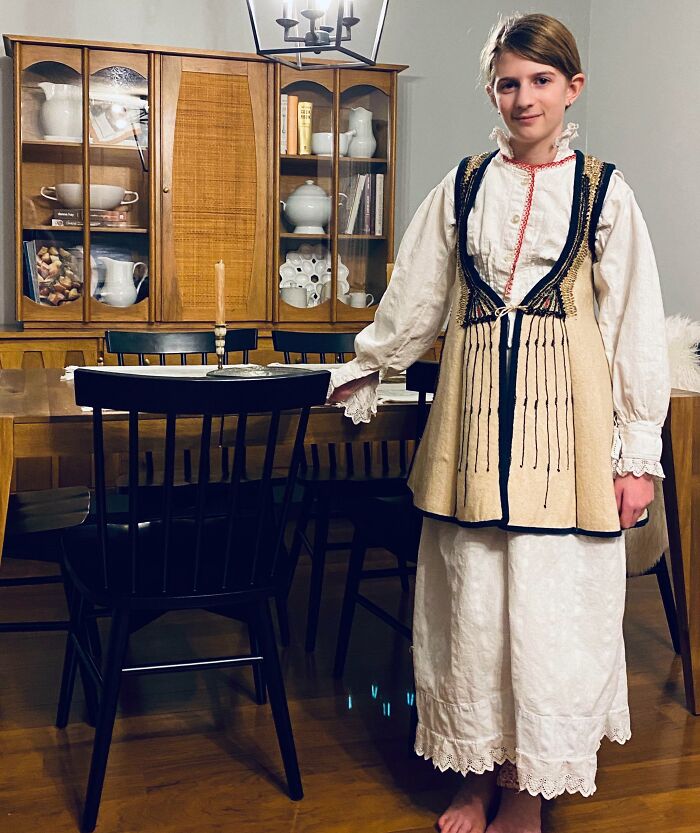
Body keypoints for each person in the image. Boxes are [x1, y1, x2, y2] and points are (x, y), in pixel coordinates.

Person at [328, 12, 671, 833]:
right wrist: (368, 364)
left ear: (571, 88)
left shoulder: (605, 190)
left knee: (550, 613)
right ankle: (475, 771)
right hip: (473, 438)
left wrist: (637, 453)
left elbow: (633, 326)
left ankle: (527, 785)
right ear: (493, 89)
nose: (525, 97)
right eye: (510, 82)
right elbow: (414, 292)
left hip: (572, 444)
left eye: (541, 81)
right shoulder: (462, 184)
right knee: (470, 609)